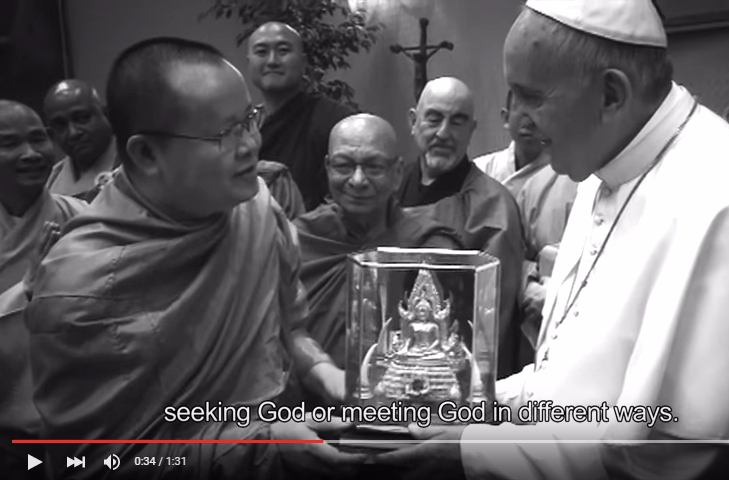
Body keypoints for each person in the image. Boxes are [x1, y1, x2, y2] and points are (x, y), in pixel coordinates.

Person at [372, 1, 729, 479]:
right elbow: (572, 379)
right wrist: (469, 405)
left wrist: (471, 453)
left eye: (531, 97)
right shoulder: (601, 166)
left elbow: (697, 458)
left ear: (610, 94)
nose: (519, 119)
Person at [23, 37, 364, 480]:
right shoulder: (77, 288)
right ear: (146, 154)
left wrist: (325, 373)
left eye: (250, 120)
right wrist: (253, 447)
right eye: (225, 134)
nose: (251, 145)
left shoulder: (256, 209)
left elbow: (290, 328)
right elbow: (88, 465)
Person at [287, 113, 462, 407]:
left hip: (407, 410)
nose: (357, 180)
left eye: (373, 167)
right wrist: (326, 377)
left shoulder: (430, 246)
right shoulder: (300, 239)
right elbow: (283, 328)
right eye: (344, 166)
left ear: (397, 173)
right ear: (328, 168)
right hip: (311, 410)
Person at [397, 77, 526, 378]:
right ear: (413, 122)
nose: (444, 133)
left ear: (471, 130)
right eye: (434, 118)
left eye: (457, 122)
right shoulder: (388, 188)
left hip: (451, 372)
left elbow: (490, 320)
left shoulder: (493, 207)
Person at [0, 99, 87, 478]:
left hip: (80, 419)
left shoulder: (83, 218)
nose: (31, 153)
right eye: (9, 143)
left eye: (38, 139)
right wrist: (26, 288)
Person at [473, 90, 578, 353]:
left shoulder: (574, 174)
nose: (530, 120)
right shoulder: (479, 173)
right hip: (497, 298)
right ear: (505, 118)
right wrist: (526, 285)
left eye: (538, 110)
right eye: (522, 111)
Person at [249, 21, 355, 212]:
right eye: (262, 52)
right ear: (249, 62)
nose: (272, 61)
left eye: (283, 51)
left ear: (303, 62)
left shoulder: (334, 121)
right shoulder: (243, 125)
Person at [43, 79, 118, 201]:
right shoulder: (50, 182)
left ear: (106, 114)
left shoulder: (136, 164)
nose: (73, 133)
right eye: (60, 125)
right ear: (52, 135)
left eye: (82, 118)